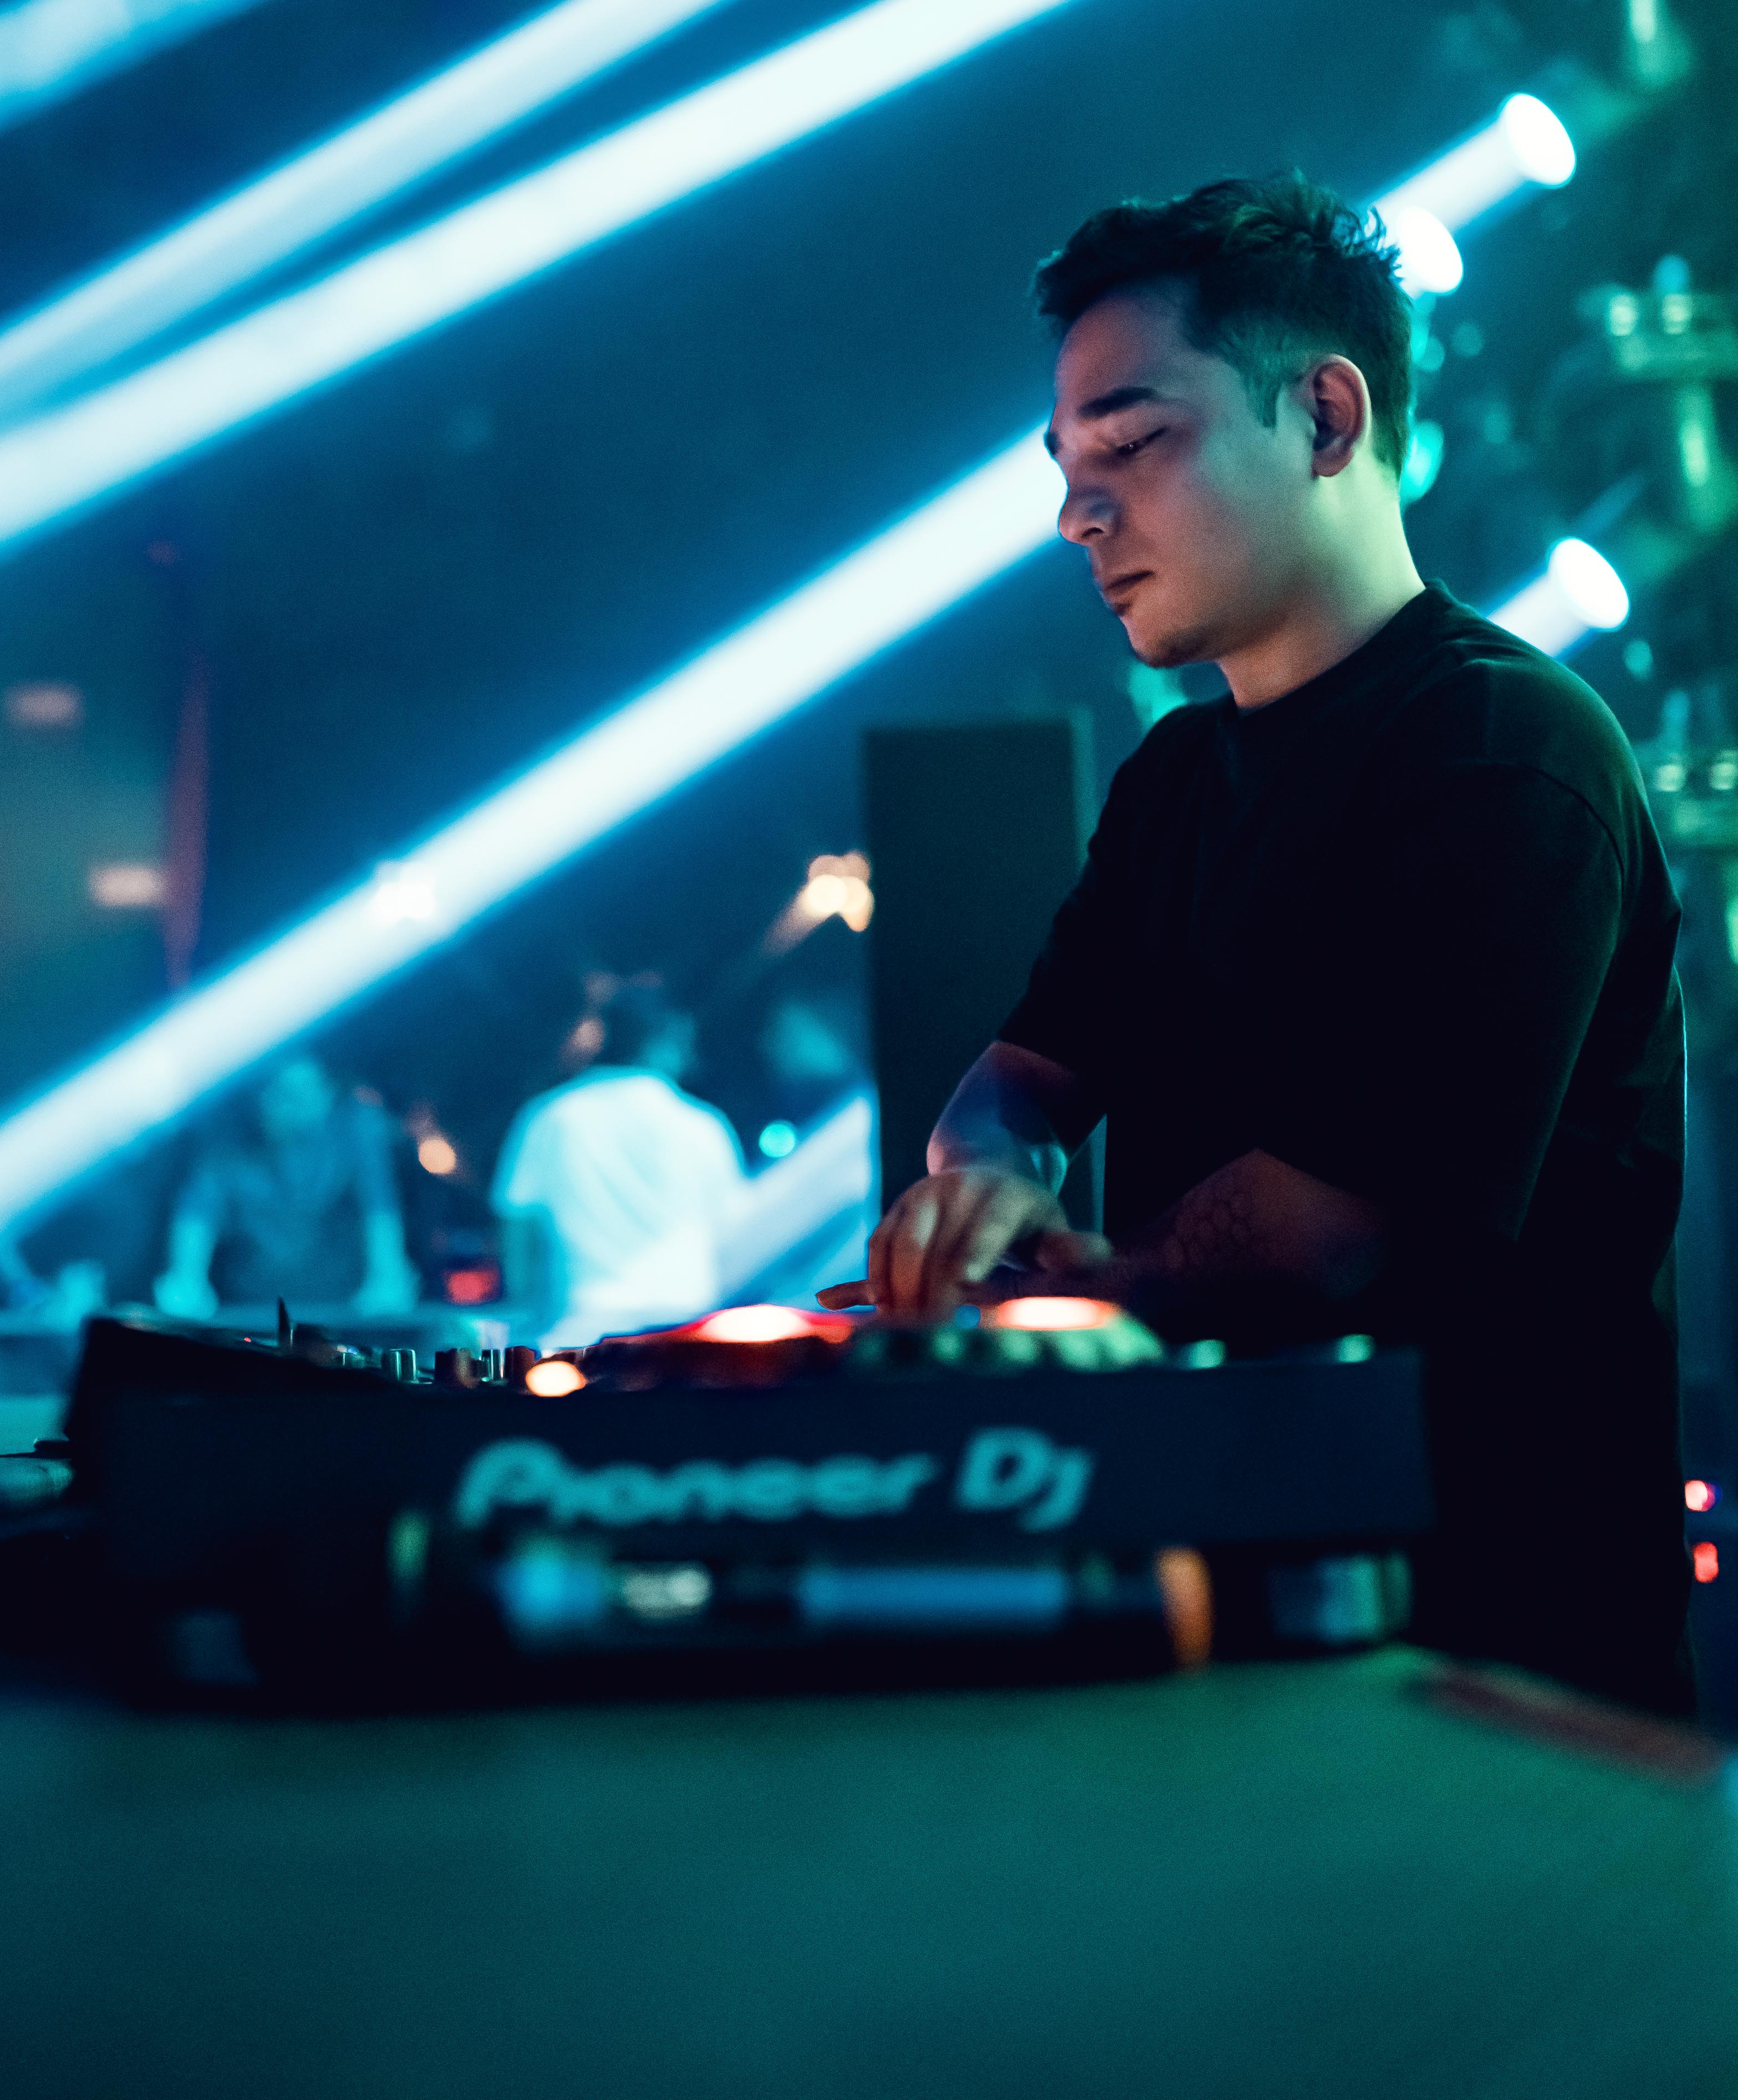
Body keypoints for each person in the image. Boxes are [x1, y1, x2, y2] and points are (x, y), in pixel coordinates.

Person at [824, 173, 1690, 1717]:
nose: (1079, 514)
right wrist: (989, 1182)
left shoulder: (1506, 751)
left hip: (1485, 1656)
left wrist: (1068, 1289)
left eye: (1134, 443)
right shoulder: (1174, 779)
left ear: (1327, 417)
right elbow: (1015, 1083)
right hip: (1223, 1598)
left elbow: (1322, 1237)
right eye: (1068, 469)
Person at [492, 980, 745, 1347]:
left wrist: (526, 1318)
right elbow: (733, 1235)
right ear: (665, 1041)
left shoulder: (552, 1117)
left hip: (583, 1334)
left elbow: (517, 1228)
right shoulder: (703, 1125)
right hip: (687, 1332)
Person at [155, 1051, 416, 1319]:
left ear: (328, 1093)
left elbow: (378, 1204)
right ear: (261, 1096)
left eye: (307, 1093)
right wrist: (186, 1280)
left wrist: (388, 1275)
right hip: (251, 1304)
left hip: (340, 1305)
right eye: (284, 1094)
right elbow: (198, 1211)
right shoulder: (226, 1140)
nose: (297, 1108)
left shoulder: (357, 1126)